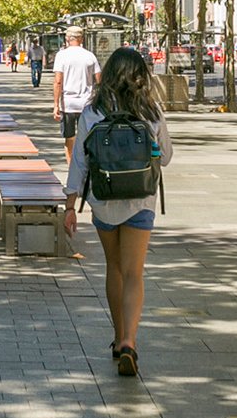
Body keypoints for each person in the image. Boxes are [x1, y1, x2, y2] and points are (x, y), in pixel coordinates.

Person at [63, 46, 173, 377]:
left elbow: (79, 163)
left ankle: (115, 336)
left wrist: (70, 207)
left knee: (114, 268)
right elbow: (165, 157)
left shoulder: (92, 113)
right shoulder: (150, 113)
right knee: (134, 272)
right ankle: (129, 341)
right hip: (140, 200)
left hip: (104, 199)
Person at [53, 24, 100, 162]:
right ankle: (85, 166)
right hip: (86, 104)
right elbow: (99, 80)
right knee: (86, 137)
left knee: (69, 138)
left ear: (67, 38)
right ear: (82, 39)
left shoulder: (61, 55)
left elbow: (58, 81)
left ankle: (71, 168)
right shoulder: (90, 56)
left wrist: (56, 105)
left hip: (68, 104)